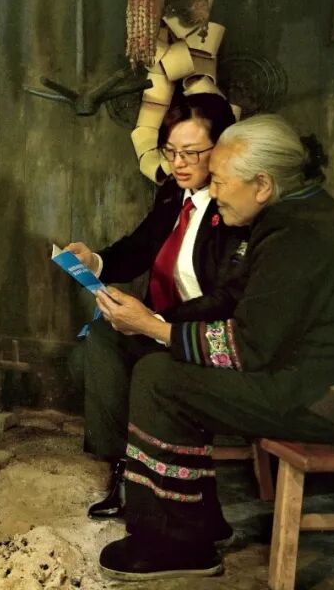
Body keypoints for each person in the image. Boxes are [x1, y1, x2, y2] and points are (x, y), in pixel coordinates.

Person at [94, 114, 334, 581]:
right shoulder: (292, 216)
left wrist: (153, 328)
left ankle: (176, 543)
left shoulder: (300, 235)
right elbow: (238, 306)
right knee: (158, 363)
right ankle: (194, 525)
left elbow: (246, 347)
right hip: (308, 380)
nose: (215, 192)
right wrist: (152, 325)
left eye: (221, 181)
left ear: (262, 185)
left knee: (161, 379)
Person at [64, 93, 247, 521]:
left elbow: (226, 299)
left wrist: (153, 323)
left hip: (201, 333)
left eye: (191, 153)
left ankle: (154, 485)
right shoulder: (173, 192)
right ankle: (122, 468)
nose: (178, 163)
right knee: (102, 339)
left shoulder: (234, 206)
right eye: (170, 151)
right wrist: (95, 261)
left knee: (144, 362)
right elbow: (141, 246)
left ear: (222, 148)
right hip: (161, 323)